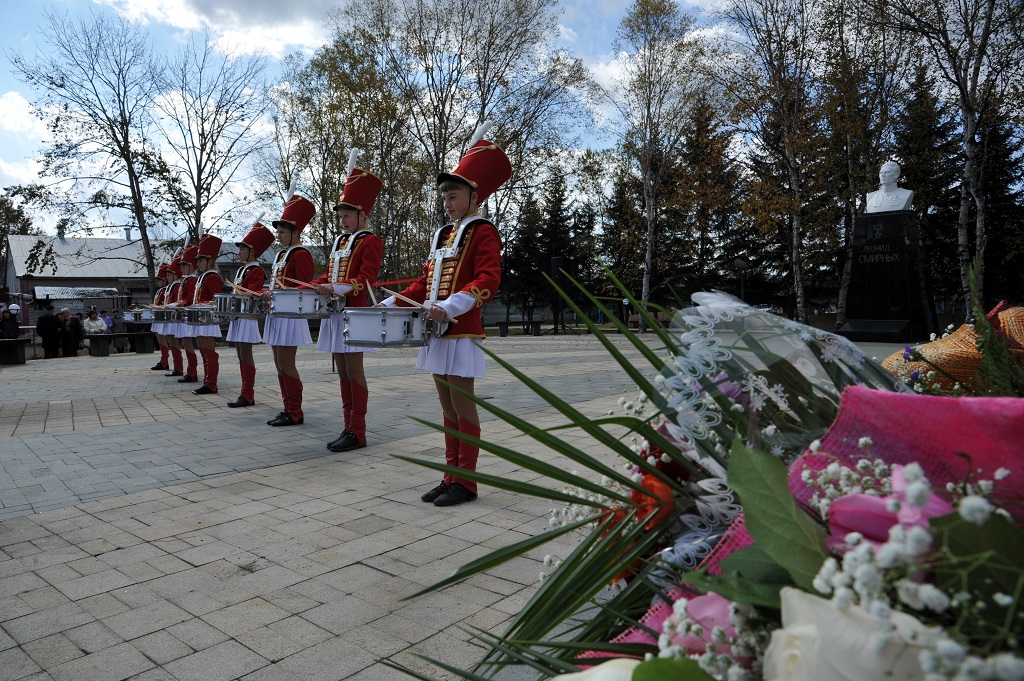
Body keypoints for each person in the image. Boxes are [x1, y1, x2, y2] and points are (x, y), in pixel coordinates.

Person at [382, 122, 510, 506]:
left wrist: (451, 305)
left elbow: (489, 279)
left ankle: (467, 482)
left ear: (474, 196)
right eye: (444, 197)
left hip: (460, 328)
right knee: (445, 407)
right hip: (435, 329)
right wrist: (393, 303)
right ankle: (450, 474)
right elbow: (425, 282)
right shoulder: (442, 236)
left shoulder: (483, 230)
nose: (447, 203)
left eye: (453, 196)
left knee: (461, 404)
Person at [312, 152, 384, 452]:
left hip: (355, 312)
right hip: (335, 314)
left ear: (362, 215)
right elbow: (330, 273)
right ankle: (347, 426)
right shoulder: (340, 242)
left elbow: (365, 278)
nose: (342, 221)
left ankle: (359, 430)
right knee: (341, 372)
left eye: (347, 215)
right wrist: (315, 284)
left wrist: (336, 287)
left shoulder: (370, 241)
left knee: (354, 371)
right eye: (340, 216)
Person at [261, 192, 316, 426]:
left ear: (295, 232)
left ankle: (295, 411)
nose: (279, 236)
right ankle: (287, 407)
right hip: (277, 313)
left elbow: (304, 286)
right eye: (278, 232)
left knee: (286, 363)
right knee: (278, 363)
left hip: (291, 315)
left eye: (282, 232)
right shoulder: (282, 255)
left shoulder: (301, 254)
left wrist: (278, 293)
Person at [226, 220, 274, 408]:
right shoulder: (242, 269)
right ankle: (245, 392)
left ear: (251, 251)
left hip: (247, 316)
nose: (239, 252)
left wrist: (239, 293)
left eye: (242, 249)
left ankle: (248, 394)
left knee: (245, 356)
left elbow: (254, 293)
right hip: (238, 315)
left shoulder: (256, 270)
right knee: (240, 356)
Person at [187, 234, 225, 395]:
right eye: (197, 261)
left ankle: (211, 384)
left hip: (208, 318)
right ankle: (207, 382)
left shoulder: (213, 276)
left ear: (210, 261)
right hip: (200, 317)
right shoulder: (202, 277)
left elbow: (217, 299)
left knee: (209, 352)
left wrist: (206, 304)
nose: (198, 263)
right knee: (203, 351)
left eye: (201, 260)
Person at [171, 244, 201, 383]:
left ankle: (192, 372)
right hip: (183, 314)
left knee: (188, 344)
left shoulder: (192, 280)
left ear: (190, 266)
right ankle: (190, 371)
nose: (180, 268)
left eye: (183, 265)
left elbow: (190, 299)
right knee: (185, 343)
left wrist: (176, 304)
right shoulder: (187, 280)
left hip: (187, 314)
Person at [159, 259, 186, 377]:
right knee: (172, 342)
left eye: (169, 274)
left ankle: (180, 368)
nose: (167, 276)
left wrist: (169, 306)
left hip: (176, 317)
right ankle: (177, 367)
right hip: (170, 316)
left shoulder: (176, 286)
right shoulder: (172, 286)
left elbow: (178, 301)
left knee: (177, 343)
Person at [150, 264, 172, 370]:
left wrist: (155, 307)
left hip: (162, 316)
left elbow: (164, 304)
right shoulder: (160, 290)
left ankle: (165, 361)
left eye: (159, 280)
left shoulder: (165, 290)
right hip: (158, 316)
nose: (157, 282)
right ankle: (163, 360)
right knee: (160, 339)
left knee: (163, 340)